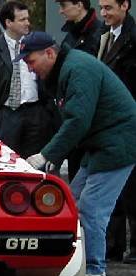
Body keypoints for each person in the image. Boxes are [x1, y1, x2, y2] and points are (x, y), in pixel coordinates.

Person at [19, 31, 136, 276]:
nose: (30, 67)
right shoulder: (65, 69)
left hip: (118, 145)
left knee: (91, 208)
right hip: (100, 144)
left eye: (31, 60)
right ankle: (73, 262)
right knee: (70, 202)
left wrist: (46, 155)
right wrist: (54, 155)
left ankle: (95, 272)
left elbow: (77, 121)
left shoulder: (78, 69)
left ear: (50, 53)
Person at [0, 1, 59, 159]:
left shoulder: (38, 46)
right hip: (7, 115)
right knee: (8, 162)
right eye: (22, 20)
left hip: (37, 113)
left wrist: (47, 112)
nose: (28, 23)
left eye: (28, 18)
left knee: (35, 164)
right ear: (8, 22)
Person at [97, 0, 136, 264]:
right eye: (101, 7)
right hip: (111, 123)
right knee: (115, 187)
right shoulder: (105, 36)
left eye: (109, 7)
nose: (104, 13)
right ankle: (114, 244)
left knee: (132, 188)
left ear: (125, 6)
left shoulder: (133, 39)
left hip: (129, 121)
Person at [55, 0, 104, 182]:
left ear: (79, 5)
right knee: (76, 172)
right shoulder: (70, 36)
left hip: (91, 115)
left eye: (63, 6)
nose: (60, 11)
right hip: (72, 112)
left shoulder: (99, 35)